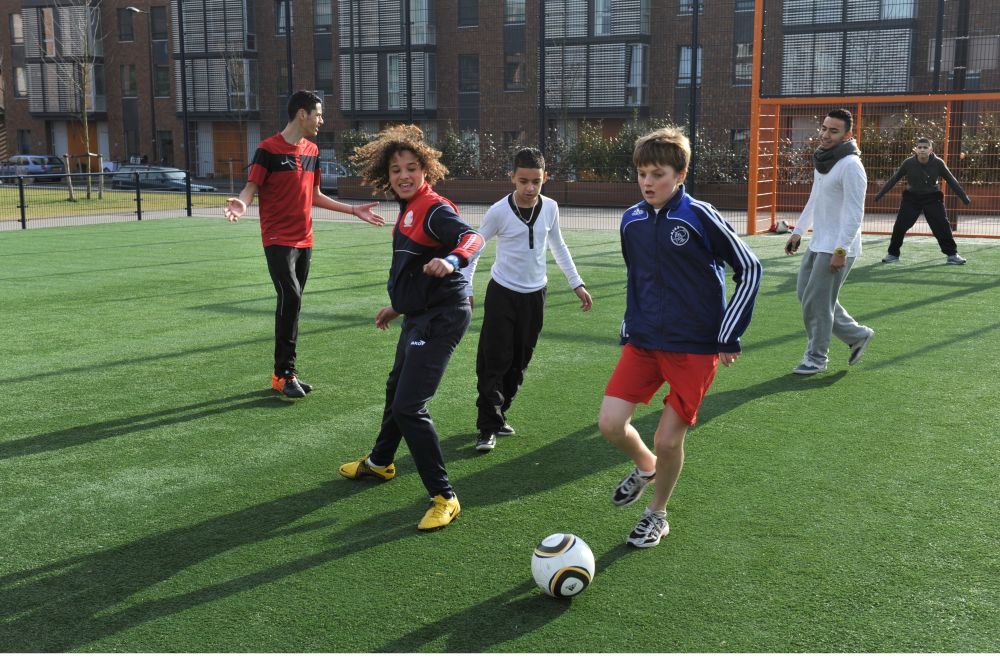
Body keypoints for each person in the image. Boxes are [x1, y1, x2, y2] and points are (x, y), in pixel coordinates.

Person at [598, 127, 762, 548]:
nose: (648, 182)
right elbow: (637, 276)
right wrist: (627, 325)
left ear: (681, 174)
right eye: (642, 174)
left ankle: (656, 513)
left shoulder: (699, 215)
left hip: (694, 347)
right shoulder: (631, 220)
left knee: (668, 438)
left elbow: (750, 267)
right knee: (611, 424)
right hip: (644, 340)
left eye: (658, 173)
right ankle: (646, 467)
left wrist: (728, 334)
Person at [338, 125, 484, 531]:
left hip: (443, 317)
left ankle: (445, 496)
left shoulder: (434, 208)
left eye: (412, 168)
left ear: (427, 171)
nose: (404, 175)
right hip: (420, 314)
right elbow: (415, 272)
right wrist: (398, 307)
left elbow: (473, 238)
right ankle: (381, 463)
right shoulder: (408, 208)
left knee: (409, 405)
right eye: (397, 169)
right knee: (395, 387)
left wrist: (453, 260)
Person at [224, 90, 384, 397]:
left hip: (305, 239)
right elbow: (250, 187)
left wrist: (353, 209)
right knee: (291, 297)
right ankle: (286, 374)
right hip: (277, 239)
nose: (321, 120)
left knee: (292, 305)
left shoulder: (311, 150)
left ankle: (281, 374)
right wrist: (242, 205)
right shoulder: (267, 149)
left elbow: (315, 194)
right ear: (302, 113)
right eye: (318, 114)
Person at [462, 147, 593, 453]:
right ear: (513, 179)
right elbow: (476, 249)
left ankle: (499, 412)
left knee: (519, 362)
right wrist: (466, 289)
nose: (530, 187)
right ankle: (487, 427)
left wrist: (577, 283)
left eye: (536, 180)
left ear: (545, 178)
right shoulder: (498, 211)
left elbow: (558, 245)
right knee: (494, 360)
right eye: (524, 181)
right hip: (502, 294)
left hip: (536, 296)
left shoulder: (551, 207)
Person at [784, 108, 874, 375]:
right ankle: (857, 335)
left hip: (837, 246)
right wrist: (798, 231)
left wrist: (841, 250)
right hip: (818, 242)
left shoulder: (851, 165)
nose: (825, 134)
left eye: (833, 131)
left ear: (848, 135)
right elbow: (816, 196)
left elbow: (855, 213)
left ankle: (816, 357)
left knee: (817, 303)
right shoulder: (824, 160)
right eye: (823, 128)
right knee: (807, 295)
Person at [874, 137, 970, 265]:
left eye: (925, 147)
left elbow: (951, 180)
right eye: (920, 147)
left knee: (942, 226)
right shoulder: (908, 163)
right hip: (911, 198)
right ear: (916, 150)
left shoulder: (938, 163)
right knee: (900, 226)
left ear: (931, 149)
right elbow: (894, 179)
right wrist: (880, 194)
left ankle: (952, 255)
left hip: (933, 198)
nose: (922, 150)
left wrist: (964, 197)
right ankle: (893, 254)